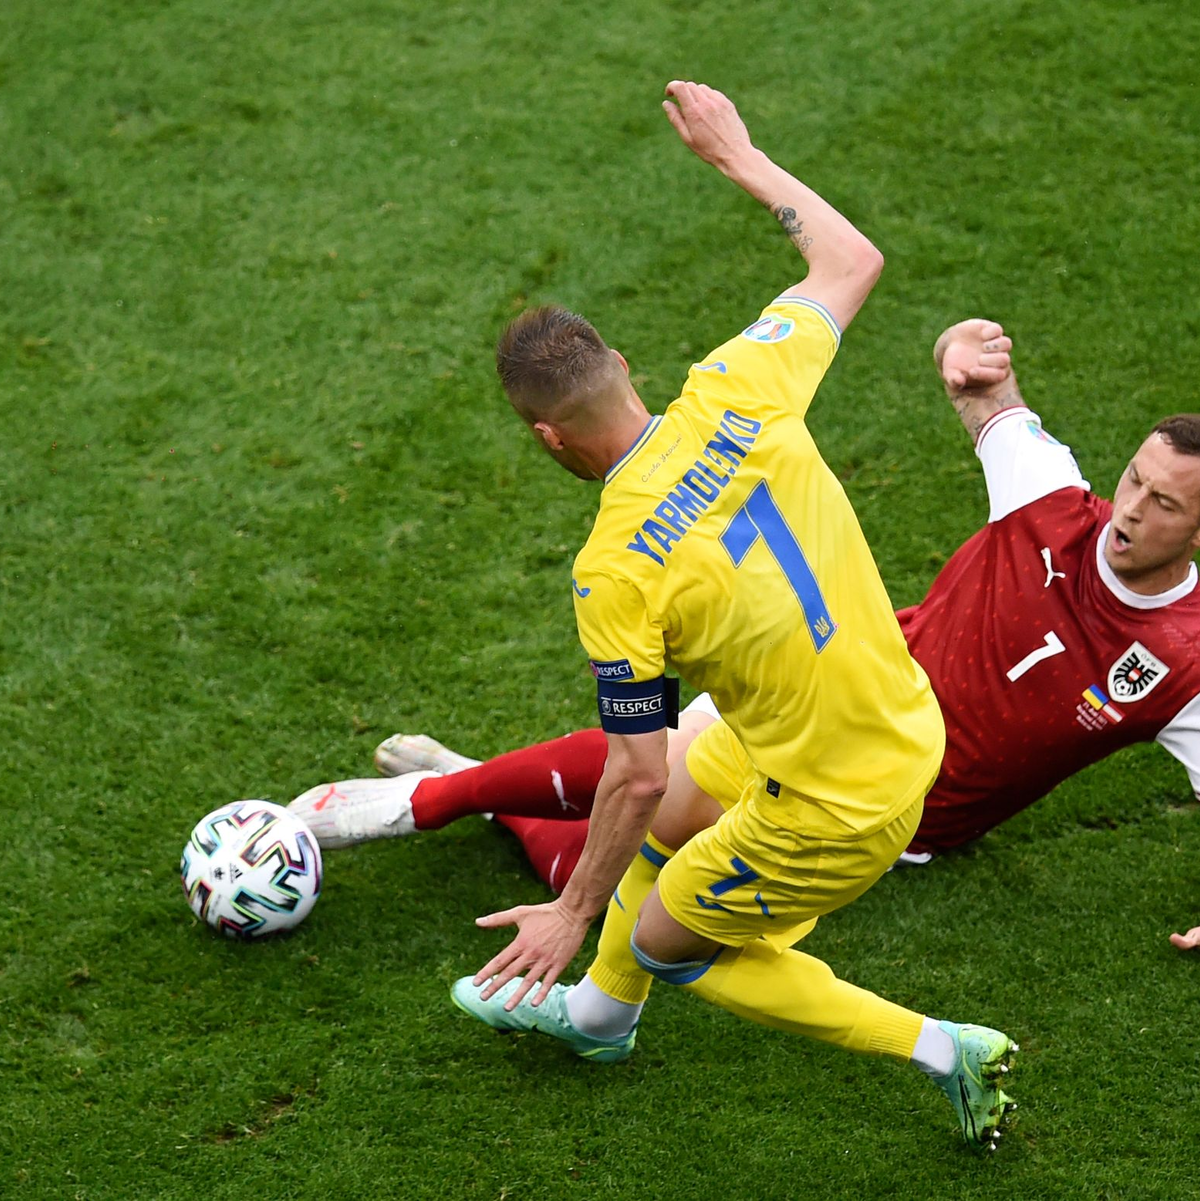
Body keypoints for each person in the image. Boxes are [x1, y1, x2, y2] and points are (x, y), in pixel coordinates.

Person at [292, 80, 1018, 1151]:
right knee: (673, 798)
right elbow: (850, 262)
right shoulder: (736, 383)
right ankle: (598, 1016)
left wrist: (571, 910)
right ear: (623, 366)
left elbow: (622, 770)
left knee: (682, 936)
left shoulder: (615, 572)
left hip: (841, 804)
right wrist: (738, 155)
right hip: (894, 718)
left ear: (547, 442)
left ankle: (945, 1048)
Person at [293, 328, 1200, 947]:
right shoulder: (1050, 499)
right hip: (835, 681)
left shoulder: (1187, 662)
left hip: (893, 800)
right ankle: (432, 799)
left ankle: (489, 810)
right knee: (651, 789)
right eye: (1132, 479)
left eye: (1164, 504)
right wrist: (963, 348)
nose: (1130, 508)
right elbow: (984, 389)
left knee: (632, 884)